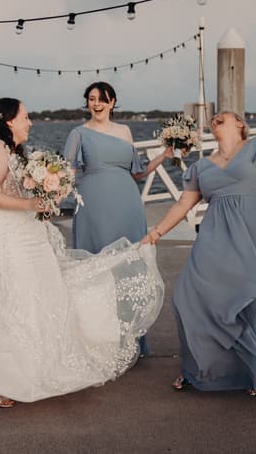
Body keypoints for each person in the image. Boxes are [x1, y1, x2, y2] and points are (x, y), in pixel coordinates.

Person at [0, 98, 165, 407]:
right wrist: (29, 204)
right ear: (9, 120)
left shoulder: (15, 152)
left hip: (30, 235)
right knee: (18, 299)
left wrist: (45, 196)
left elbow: (18, 191)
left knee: (45, 297)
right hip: (8, 238)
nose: (30, 122)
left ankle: (31, 368)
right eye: (25, 116)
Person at [142, 111, 256, 396]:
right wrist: (155, 234)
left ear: (240, 123)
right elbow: (182, 205)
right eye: (212, 118)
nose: (216, 118)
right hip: (218, 235)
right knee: (188, 298)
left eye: (222, 115)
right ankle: (197, 367)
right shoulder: (201, 166)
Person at [63, 82, 174, 355]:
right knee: (97, 265)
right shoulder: (79, 133)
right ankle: (98, 340)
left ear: (112, 102)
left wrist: (164, 155)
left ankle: (132, 339)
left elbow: (137, 173)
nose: (96, 104)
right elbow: (66, 172)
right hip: (94, 205)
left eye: (102, 99)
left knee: (130, 266)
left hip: (128, 204)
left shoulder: (125, 131)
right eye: (91, 99)